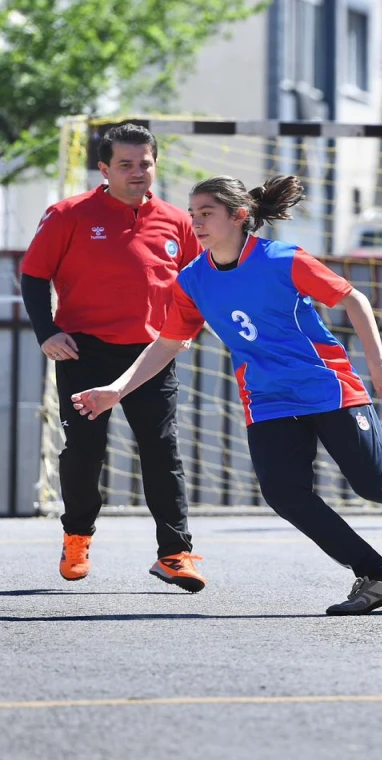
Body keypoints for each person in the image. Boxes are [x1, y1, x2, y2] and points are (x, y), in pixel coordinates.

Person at [71, 175, 382, 615]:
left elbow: (353, 299)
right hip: (268, 400)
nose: (196, 222)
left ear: (238, 216)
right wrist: (117, 389)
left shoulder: (282, 259)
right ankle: (378, 576)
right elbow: (168, 343)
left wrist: (377, 365)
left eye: (207, 213)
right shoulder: (193, 280)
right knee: (284, 493)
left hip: (327, 387)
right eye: (193, 213)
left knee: (374, 482)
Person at [20, 123, 206, 591]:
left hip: (151, 354)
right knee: (85, 450)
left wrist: (186, 330)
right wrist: (47, 332)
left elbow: (197, 282)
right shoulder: (67, 214)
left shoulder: (177, 221)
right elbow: (33, 275)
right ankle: (77, 536)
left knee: (162, 449)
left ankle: (175, 553)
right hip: (83, 352)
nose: (137, 172)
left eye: (145, 163)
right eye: (126, 164)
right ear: (104, 169)